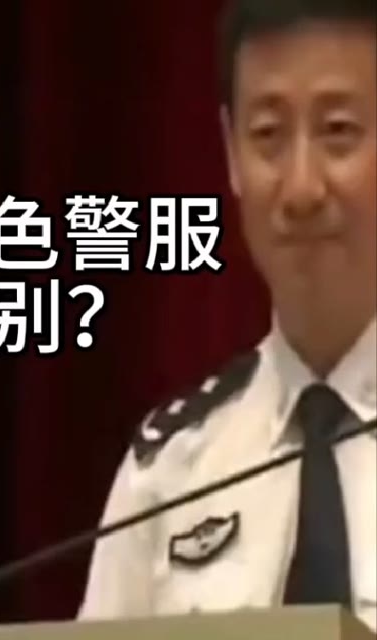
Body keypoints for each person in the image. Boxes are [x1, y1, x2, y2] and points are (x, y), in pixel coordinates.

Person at [78, 0, 376, 632]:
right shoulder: (170, 472)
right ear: (231, 153)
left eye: (338, 132)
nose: (301, 188)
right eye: (267, 136)